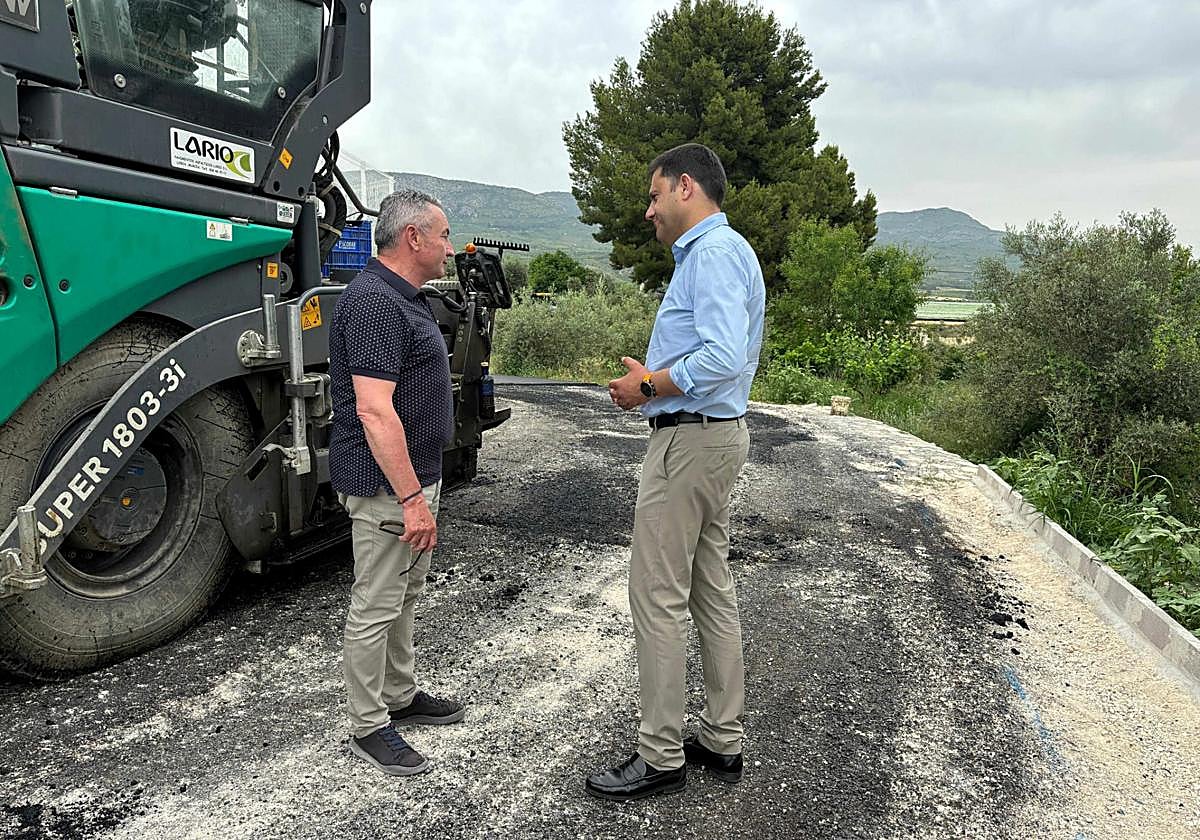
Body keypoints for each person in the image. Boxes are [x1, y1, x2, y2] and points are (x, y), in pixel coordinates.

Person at [586, 143, 766, 801]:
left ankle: (660, 755)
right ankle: (721, 738)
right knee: (709, 588)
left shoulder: (712, 255)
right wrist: (659, 384)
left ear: (686, 187)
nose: (647, 210)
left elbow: (718, 356)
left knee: (655, 596)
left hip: (688, 443)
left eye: (655, 195)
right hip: (715, 440)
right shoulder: (730, 251)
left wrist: (652, 386)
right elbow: (725, 353)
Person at [327, 190, 462, 776]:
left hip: (415, 479)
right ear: (413, 238)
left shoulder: (404, 298)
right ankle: (367, 725)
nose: (450, 249)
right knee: (376, 603)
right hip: (387, 487)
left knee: (404, 595)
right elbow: (375, 412)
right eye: (443, 237)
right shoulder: (376, 304)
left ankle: (400, 696)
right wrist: (410, 499)